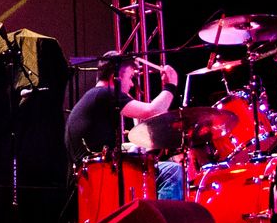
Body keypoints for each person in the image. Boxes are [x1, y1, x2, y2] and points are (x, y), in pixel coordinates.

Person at [65, 51, 186, 200]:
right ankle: (163, 215)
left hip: (89, 179)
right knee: (173, 171)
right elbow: (153, 111)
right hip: (102, 176)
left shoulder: (93, 97)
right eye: (130, 77)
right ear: (114, 77)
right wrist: (170, 85)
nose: (132, 84)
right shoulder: (106, 93)